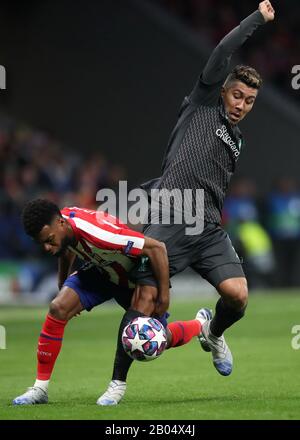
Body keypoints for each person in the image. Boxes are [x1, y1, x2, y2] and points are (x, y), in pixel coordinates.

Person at [99, 1, 275, 405]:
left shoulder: (238, 139)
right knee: (144, 300)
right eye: (236, 95)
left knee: (238, 296)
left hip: (207, 227)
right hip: (169, 217)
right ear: (223, 89)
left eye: (249, 101)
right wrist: (257, 20)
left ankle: (213, 334)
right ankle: (117, 383)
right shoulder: (202, 104)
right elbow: (220, 54)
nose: (240, 104)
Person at [13, 198, 209, 405]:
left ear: (61, 224)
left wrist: (164, 296)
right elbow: (66, 246)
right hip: (102, 270)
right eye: (41, 242)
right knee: (58, 307)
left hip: (135, 275)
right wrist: (63, 283)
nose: (46, 247)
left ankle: (200, 325)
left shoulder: (100, 234)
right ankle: (40, 388)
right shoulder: (62, 224)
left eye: (49, 240)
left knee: (152, 339)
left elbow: (156, 248)